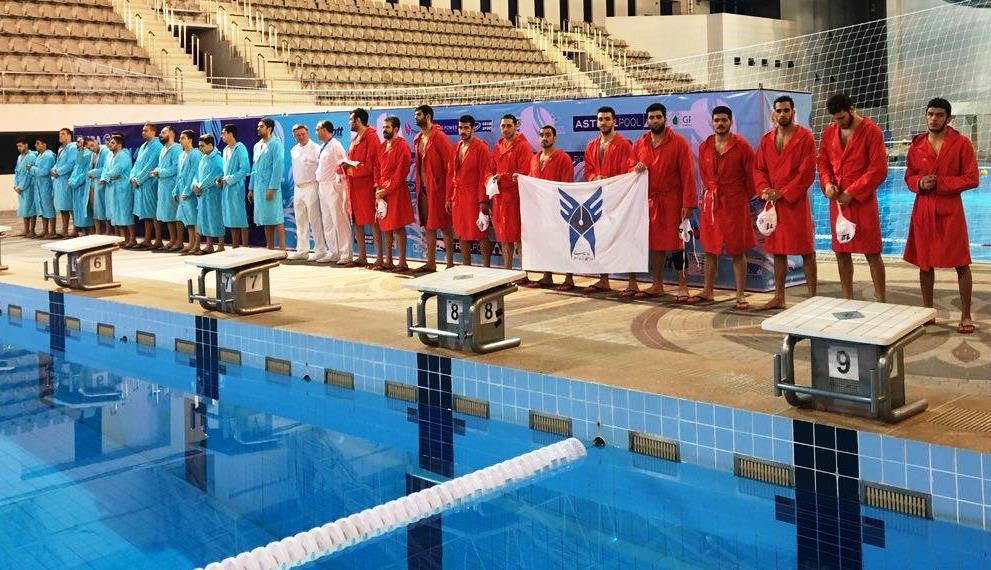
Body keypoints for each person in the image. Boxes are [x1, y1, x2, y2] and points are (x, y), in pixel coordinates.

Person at [903, 97, 980, 334]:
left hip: (950, 209)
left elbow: (972, 178)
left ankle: (965, 315)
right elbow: (909, 177)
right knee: (925, 263)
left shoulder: (961, 143)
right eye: (930, 114)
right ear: (925, 116)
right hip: (924, 209)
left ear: (948, 118)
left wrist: (940, 182)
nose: (933, 119)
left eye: (939, 115)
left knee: (961, 263)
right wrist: (919, 182)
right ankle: (927, 311)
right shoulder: (917, 145)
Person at [816, 93, 888, 302]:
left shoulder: (872, 131)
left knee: (872, 251)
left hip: (862, 200)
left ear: (851, 109)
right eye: (835, 119)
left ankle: (881, 299)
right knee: (841, 251)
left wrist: (853, 191)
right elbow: (822, 161)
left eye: (842, 118)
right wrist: (827, 183)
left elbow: (878, 169)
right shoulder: (830, 131)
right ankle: (846, 297)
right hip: (838, 199)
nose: (838, 122)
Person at [753, 95, 818, 310]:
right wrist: (764, 190)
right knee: (778, 250)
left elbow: (806, 173)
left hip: (795, 202)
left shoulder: (805, 137)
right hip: (773, 204)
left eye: (786, 110)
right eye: (779, 111)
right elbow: (759, 169)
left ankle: (813, 298)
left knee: (806, 250)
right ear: (774, 113)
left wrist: (783, 192)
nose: (782, 114)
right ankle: (779, 297)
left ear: (793, 112)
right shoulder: (766, 140)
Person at [693, 106, 757, 309]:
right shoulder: (705, 146)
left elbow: (752, 177)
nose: (720, 123)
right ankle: (708, 291)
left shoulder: (742, 146)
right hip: (712, 204)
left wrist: (739, 197)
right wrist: (711, 193)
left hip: (735, 204)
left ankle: (740, 295)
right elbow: (704, 175)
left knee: (738, 250)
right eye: (716, 120)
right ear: (712, 122)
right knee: (709, 249)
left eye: (724, 120)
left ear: (731, 122)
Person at [633, 102, 697, 301]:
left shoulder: (679, 142)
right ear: (647, 120)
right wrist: (635, 166)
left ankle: (683, 285)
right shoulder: (640, 143)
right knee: (655, 244)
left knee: (678, 243)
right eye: (651, 117)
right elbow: (630, 166)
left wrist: (688, 203)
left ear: (665, 118)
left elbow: (688, 174)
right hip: (650, 201)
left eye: (658, 117)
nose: (655, 120)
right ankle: (657, 284)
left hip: (673, 201)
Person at [582, 105, 635, 295]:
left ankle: (633, 283)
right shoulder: (591, 145)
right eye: (600, 119)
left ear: (614, 121)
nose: (603, 122)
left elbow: (629, 170)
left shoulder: (624, 144)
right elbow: (587, 170)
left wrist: (611, 181)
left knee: (625, 239)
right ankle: (604, 279)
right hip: (598, 198)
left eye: (607, 119)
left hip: (619, 198)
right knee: (601, 238)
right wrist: (594, 178)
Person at [525, 125, 575, 289]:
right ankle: (547, 276)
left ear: (555, 137)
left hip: (559, 208)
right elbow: (531, 181)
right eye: (541, 135)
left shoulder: (563, 158)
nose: (544, 138)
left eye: (548, 135)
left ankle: (569, 278)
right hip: (540, 209)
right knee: (545, 241)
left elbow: (566, 184)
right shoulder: (534, 158)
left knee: (564, 242)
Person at [411, 104, 455, 272]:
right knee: (428, 225)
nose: (415, 118)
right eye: (415, 115)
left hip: (439, 189)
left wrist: (448, 193)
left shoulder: (439, 137)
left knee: (445, 226)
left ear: (428, 116)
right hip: (423, 188)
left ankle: (450, 263)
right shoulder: (418, 138)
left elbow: (449, 166)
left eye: (418, 115)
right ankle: (431, 262)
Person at [490, 114, 533, 274]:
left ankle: (524, 273)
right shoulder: (498, 146)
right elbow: (490, 168)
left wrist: (503, 177)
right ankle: (506, 272)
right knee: (503, 237)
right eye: (503, 126)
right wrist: (490, 178)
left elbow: (525, 173)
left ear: (516, 127)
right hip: (499, 198)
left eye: (509, 126)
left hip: (516, 198)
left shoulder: (523, 146)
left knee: (519, 237)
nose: (506, 129)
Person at [448, 115, 492, 267]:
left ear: (473, 128)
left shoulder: (481, 147)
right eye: (460, 127)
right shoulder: (455, 147)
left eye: (466, 128)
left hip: (474, 196)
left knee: (481, 233)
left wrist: (483, 200)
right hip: (458, 197)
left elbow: (485, 175)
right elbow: (450, 175)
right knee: (461, 233)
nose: (463, 131)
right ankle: (466, 266)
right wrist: (448, 197)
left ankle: (486, 268)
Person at [343, 108, 382, 267]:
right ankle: (362, 256)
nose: (349, 123)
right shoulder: (356, 138)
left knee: (373, 222)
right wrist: (345, 166)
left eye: (351, 120)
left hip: (367, 186)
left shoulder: (371, 137)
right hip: (354, 186)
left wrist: (353, 170)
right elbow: (352, 160)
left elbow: (374, 164)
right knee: (357, 221)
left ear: (358, 120)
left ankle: (379, 258)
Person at [376, 116, 414, 271]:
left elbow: (401, 173)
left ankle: (402, 262)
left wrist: (386, 189)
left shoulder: (402, 146)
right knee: (386, 227)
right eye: (383, 127)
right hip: (383, 191)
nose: (384, 130)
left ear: (396, 129)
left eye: (387, 127)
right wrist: (378, 188)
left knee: (398, 227)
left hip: (396, 191)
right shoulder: (383, 146)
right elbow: (378, 169)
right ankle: (388, 261)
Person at [288, 124, 327, 261]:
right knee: (300, 220)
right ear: (294, 136)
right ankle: (302, 250)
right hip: (298, 188)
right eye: (298, 135)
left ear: (308, 133)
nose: (301, 137)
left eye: (303, 134)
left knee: (314, 220)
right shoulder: (293, 150)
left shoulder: (316, 148)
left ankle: (320, 250)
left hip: (311, 186)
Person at [314, 119, 352, 265]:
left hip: (333, 186)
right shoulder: (323, 146)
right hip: (322, 186)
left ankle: (346, 254)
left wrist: (340, 187)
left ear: (325, 130)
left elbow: (343, 165)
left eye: (317, 129)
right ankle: (334, 252)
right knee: (328, 221)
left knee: (339, 220)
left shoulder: (335, 145)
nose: (316, 132)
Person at [250, 118, 287, 250]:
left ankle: (282, 249)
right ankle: (270, 248)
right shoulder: (257, 145)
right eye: (258, 126)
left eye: (261, 126)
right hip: (259, 188)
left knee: (276, 218)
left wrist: (272, 187)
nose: (258, 128)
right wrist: (251, 188)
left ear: (269, 128)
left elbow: (278, 167)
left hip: (271, 187)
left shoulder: (276, 144)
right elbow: (254, 168)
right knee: (266, 219)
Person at [129, 123, 163, 249]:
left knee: (153, 213)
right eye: (143, 130)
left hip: (150, 183)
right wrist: (132, 177)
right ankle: (147, 239)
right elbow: (137, 164)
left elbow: (151, 165)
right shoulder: (143, 146)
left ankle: (158, 240)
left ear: (153, 132)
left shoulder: (157, 146)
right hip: (141, 184)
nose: (143, 132)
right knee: (145, 213)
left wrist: (138, 179)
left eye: (146, 130)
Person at [219, 124, 250, 248]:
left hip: (237, 187)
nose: (221, 136)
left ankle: (245, 246)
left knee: (240, 216)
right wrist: (221, 179)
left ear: (230, 133)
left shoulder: (240, 148)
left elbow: (245, 169)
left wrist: (230, 179)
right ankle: (235, 246)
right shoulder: (225, 150)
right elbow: (224, 170)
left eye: (223, 133)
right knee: (231, 217)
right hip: (227, 188)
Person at [151, 126, 182, 250]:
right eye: (161, 133)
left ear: (172, 134)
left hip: (172, 185)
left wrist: (160, 172)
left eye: (163, 132)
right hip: (163, 186)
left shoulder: (177, 149)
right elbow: (161, 166)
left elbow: (175, 168)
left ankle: (179, 241)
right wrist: (157, 170)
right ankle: (172, 239)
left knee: (176, 215)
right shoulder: (163, 149)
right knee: (168, 215)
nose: (160, 134)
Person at [193, 134, 225, 254]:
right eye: (199, 146)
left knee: (216, 219)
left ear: (211, 145)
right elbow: (196, 175)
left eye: (202, 146)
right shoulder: (203, 158)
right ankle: (209, 245)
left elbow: (214, 176)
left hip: (214, 195)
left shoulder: (217, 159)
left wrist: (200, 186)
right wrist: (195, 184)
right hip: (203, 195)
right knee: (205, 219)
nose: (200, 148)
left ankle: (221, 245)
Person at [99, 133, 133, 243]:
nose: (110, 144)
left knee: (125, 214)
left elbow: (117, 170)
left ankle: (132, 239)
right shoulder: (109, 155)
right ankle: (122, 238)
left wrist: (106, 177)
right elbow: (105, 169)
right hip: (112, 187)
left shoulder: (123, 155)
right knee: (116, 214)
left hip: (123, 188)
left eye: (113, 143)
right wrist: (104, 177)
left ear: (119, 144)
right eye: (110, 142)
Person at [174, 129, 202, 254]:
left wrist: (187, 191)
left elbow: (194, 174)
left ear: (190, 140)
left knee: (194, 219)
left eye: (183, 138)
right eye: (180, 138)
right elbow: (179, 175)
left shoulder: (195, 154)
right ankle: (191, 243)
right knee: (187, 219)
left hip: (190, 192)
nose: (180, 140)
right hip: (182, 191)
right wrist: (176, 189)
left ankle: (197, 244)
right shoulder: (181, 155)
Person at [51, 128, 78, 238]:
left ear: (69, 136)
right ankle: (64, 230)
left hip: (67, 180)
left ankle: (76, 229)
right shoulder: (61, 148)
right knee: (63, 207)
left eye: (63, 134)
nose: (60, 136)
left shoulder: (72, 147)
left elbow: (71, 164)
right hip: (59, 181)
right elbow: (58, 163)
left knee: (71, 207)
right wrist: (53, 169)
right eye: (59, 134)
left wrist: (58, 171)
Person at [30, 137, 56, 239]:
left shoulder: (48, 156)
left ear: (44, 144)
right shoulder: (39, 156)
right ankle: (45, 230)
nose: (35, 145)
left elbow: (45, 171)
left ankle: (52, 231)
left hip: (46, 185)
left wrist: (32, 168)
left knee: (49, 208)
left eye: (38, 143)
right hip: (39, 185)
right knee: (42, 208)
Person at [85, 138, 112, 236]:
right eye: (89, 148)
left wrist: (92, 173)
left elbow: (106, 168)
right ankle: (98, 231)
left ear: (96, 142)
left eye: (92, 145)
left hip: (103, 183)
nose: (91, 148)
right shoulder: (92, 154)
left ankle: (108, 230)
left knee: (104, 207)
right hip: (94, 183)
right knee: (94, 207)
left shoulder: (105, 151)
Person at [13, 137, 38, 238]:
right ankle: (26, 229)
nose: (19, 148)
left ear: (26, 145)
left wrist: (21, 187)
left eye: (20, 146)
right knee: (24, 208)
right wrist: (16, 185)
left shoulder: (31, 156)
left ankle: (32, 230)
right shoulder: (19, 157)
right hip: (20, 187)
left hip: (29, 186)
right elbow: (16, 171)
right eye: (17, 146)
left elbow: (29, 174)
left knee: (31, 208)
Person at [69, 136, 93, 236]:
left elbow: (86, 170)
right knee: (78, 209)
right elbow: (76, 167)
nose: (78, 142)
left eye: (80, 141)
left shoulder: (89, 153)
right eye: (77, 141)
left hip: (83, 185)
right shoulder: (78, 152)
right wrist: (71, 180)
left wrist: (76, 181)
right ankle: (82, 230)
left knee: (85, 209)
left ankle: (90, 231)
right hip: (76, 186)